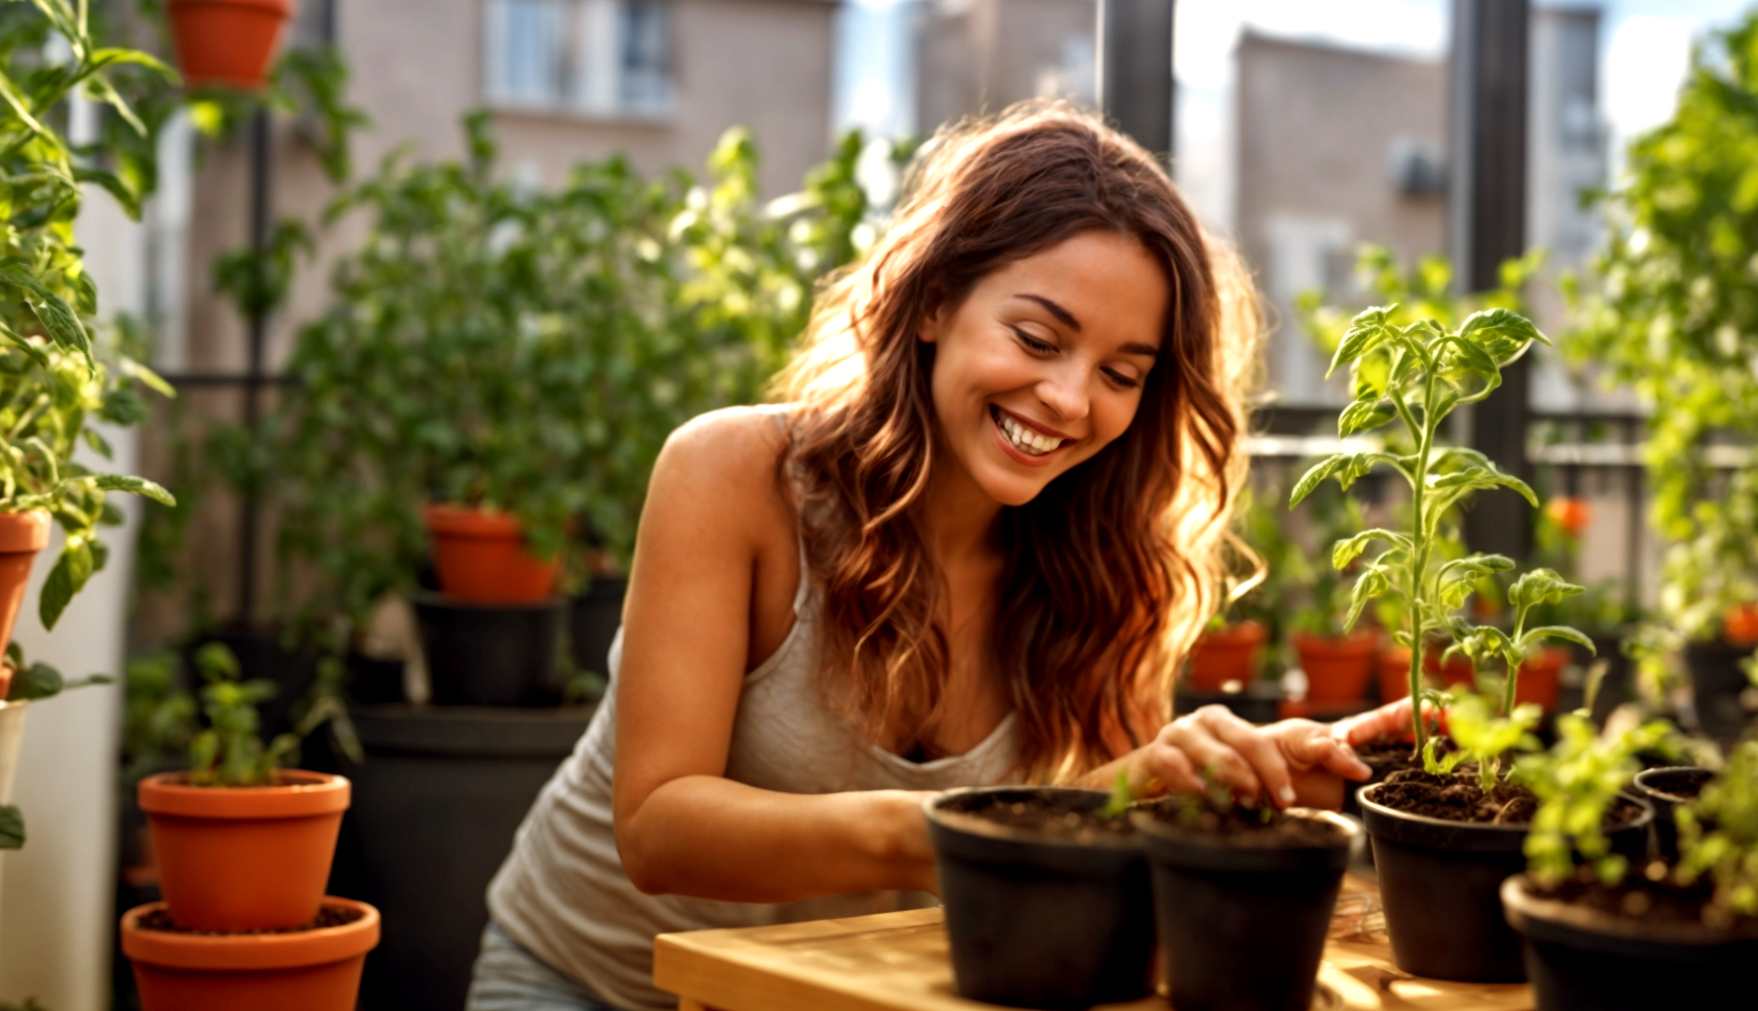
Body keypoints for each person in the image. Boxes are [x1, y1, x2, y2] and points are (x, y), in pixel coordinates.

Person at [466, 102, 1414, 1011]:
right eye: (1037, 338)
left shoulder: (1109, 573)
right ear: (932, 303)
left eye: (1122, 373)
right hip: (589, 984)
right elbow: (660, 827)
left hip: (851, 996)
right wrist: (963, 833)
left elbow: (1095, 832)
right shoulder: (739, 476)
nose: (1071, 399)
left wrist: (1259, 781)